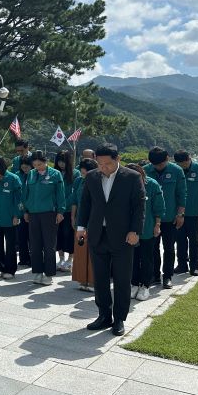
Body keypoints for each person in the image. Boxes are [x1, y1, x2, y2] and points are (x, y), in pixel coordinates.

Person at [76, 143, 145, 336]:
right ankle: (104, 315)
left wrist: (134, 231)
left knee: (122, 279)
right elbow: (85, 203)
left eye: (107, 164)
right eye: (100, 164)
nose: (103, 168)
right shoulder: (91, 177)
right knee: (101, 279)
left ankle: (119, 319)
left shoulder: (132, 177)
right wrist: (81, 228)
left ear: (118, 159)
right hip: (98, 234)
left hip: (123, 236)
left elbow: (139, 207)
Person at [144, 147, 187, 289]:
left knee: (169, 248)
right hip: (151, 219)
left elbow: (182, 193)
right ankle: (154, 275)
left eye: (161, 164)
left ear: (167, 159)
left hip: (170, 218)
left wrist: (180, 214)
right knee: (152, 248)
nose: (158, 167)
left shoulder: (176, 171)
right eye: (155, 165)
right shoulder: (145, 171)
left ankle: (167, 276)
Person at [22, 150, 66, 285]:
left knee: (49, 245)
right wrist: (25, 210)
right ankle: (37, 271)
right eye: (35, 165)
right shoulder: (31, 174)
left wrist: (60, 211)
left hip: (49, 213)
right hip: (33, 213)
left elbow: (60, 194)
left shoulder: (55, 174)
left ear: (46, 162)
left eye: (40, 164)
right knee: (35, 245)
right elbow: (25, 193)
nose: (37, 167)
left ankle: (49, 273)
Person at [125, 163, 165, 301]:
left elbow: (159, 207)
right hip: (129, 230)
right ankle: (134, 284)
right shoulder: (124, 184)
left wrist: (157, 225)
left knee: (147, 258)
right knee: (132, 259)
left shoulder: (152, 185)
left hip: (147, 228)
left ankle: (145, 286)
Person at [173, 150, 198, 276]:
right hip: (178, 213)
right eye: (180, 164)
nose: (183, 166)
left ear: (189, 159)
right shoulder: (174, 170)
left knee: (194, 240)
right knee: (180, 240)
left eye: (185, 163)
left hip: (194, 212)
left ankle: (194, 265)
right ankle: (182, 264)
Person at [0, 157, 21, 279]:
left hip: (10, 218)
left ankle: (10, 269)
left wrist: (16, 215)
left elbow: (18, 200)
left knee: (10, 245)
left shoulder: (13, 179)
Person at [71, 158, 98, 291]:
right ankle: (82, 279)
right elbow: (74, 200)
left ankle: (93, 281)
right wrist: (72, 217)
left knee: (94, 251)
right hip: (81, 220)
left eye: (86, 173)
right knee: (81, 249)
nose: (83, 176)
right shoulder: (78, 181)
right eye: (82, 173)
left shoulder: (99, 181)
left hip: (94, 220)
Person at [55, 150, 80, 272]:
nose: (61, 164)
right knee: (58, 234)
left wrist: (64, 203)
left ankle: (70, 259)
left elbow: (74, 193)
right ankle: (60, 258)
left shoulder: (75, 174)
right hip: (56, 209)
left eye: (64, 161)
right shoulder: (55, 173)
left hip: (69, 209)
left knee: (69, 234)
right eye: (59, 161)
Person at [16, 156, 33, 267]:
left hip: (32, 210)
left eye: (27, 166)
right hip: (21, 210)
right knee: (21, 236)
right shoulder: (17, 175)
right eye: (23, 167)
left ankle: (33, 258)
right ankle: (23, 258)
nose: (25, 169)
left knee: (32, 237)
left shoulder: (34, 175)